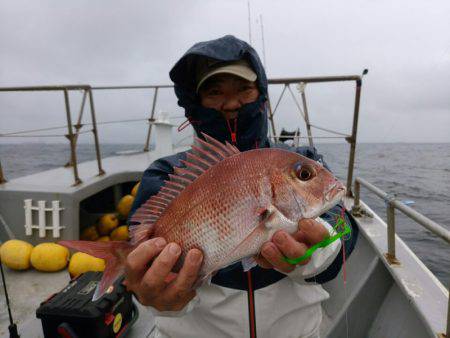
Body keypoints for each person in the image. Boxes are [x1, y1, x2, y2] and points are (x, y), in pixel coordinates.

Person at [125, 35, 358, 338]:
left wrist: (319, 251)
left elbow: (344, 224)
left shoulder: (303, 159)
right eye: (215, 91)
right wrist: (159, 298)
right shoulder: (169, 174)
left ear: (261, 94)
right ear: (195, 103)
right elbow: (145, 264)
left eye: (244, 89)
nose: (232, 103)